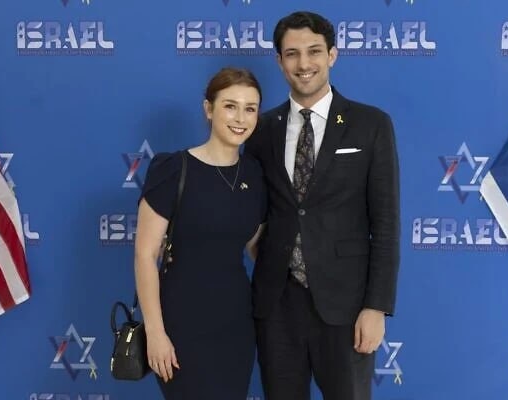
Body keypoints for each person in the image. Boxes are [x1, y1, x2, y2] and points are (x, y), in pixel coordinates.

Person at [244, 11, 400, 400]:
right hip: (276, 306)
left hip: (347, 307)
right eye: (292, 53)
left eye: (314, 51)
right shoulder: (261, 130)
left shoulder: (371, 124)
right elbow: (253, 211)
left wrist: (376, 307)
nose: (304, 63)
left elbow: (386, 224)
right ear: (279, 61)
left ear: (332, 54)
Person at [134, 67, 266, 399]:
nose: (240, 118)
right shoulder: (173, 169)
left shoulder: (255, 174)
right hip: (181, 323)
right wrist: (156, 333)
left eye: (250, 108)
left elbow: (256, 246)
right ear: (209, 109)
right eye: (230, 106)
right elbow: (145, 256)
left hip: (236, 324)